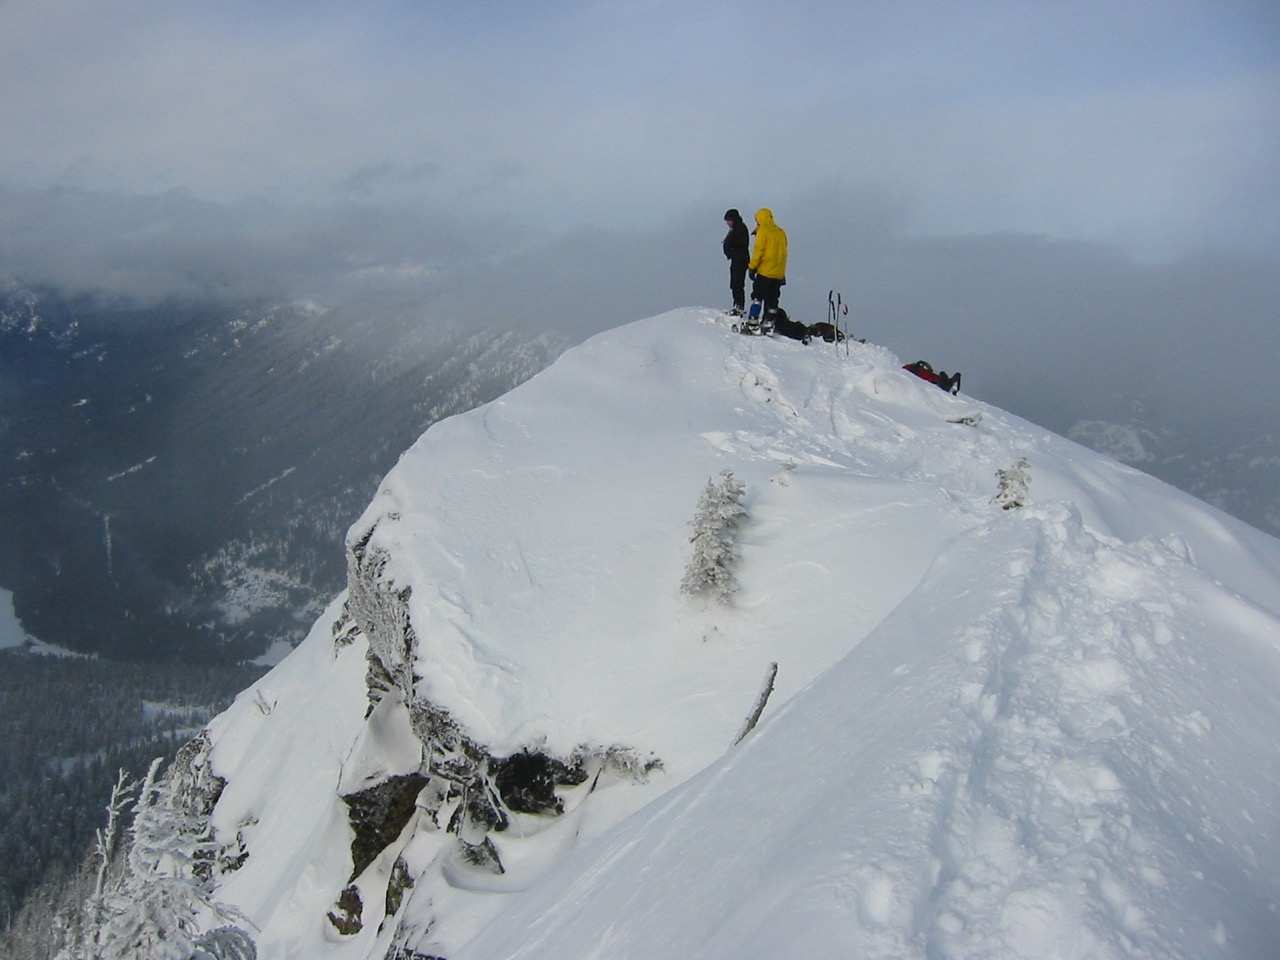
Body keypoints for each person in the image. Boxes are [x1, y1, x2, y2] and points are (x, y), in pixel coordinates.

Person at [747, 207, 788, 313]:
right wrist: (782, 273)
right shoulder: (781, 232)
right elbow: (783, 254)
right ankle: (769, 322)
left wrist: (752, 267)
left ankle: (753, 321)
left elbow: (758, 251)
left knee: (757, 297)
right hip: (778, 273)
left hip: (765, 271)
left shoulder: (763, 231)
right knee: (773, 300)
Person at [722, 208, 750, 315]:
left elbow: (741, 243)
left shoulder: (740, 229)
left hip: (740, 260)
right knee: (735, 283)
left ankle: (739, 306)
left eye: (728, 220)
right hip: (738, 259)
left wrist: (731, 247)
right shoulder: (738, 228)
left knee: (737, 283)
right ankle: (737, 305)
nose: (727, 223)